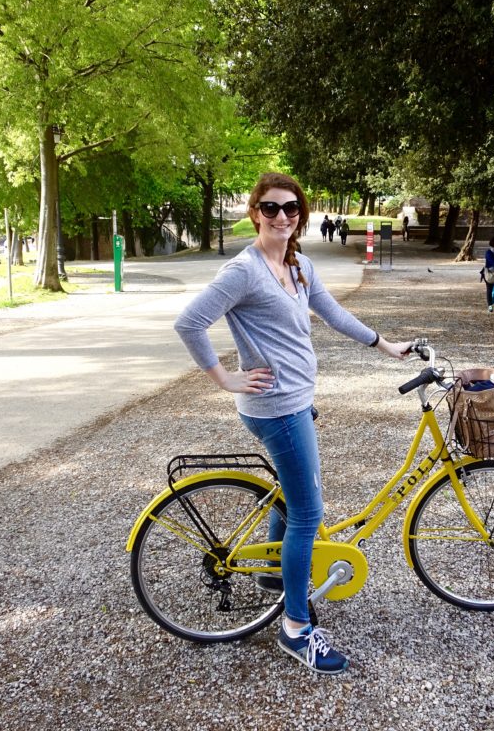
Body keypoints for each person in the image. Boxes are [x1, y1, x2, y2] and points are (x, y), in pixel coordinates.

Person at [175, 172, 411, 675]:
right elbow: (190, 322)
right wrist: (225, 379)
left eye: (290, 208)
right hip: (275, 408)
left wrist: (385, 345)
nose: (281, 216)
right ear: (254, 213)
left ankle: (274, 579)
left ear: (300, 213)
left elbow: (333, 313)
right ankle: (296, 629)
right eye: (270, 208)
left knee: (290, 494)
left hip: (298, 400)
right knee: (308, 512)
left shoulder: (298, 265)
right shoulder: (244, 271)